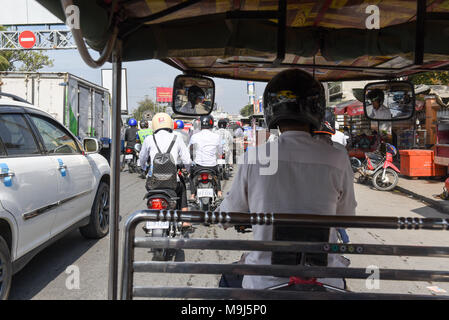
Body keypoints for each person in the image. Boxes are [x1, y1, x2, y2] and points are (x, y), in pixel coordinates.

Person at [218, 69, 357, 290]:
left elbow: (227, 215)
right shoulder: (337, 156)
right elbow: (347, 216)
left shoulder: (256, 156)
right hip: (325, 281)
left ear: (271, 110)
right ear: (318, 109)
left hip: (264, 283)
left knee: (227, 280)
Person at [138, 113, 191, 211]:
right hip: (173, 183)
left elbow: (142, 158)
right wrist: (188, 171)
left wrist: (143, 168)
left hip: (153, 182)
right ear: (170, 124)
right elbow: (187, 160)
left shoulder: (149, 139)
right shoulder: (177, 138)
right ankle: (185, 220)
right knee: (182, 188)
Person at [189, 114, 223, 199]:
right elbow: (220, 151)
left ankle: (192, 195)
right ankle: (219, 192)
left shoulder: (194, 136)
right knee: (218, 175)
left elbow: (189, 149)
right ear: (211, 124)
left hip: (198, 166)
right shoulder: (216, 136)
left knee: (191, 176)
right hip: (212, 166)